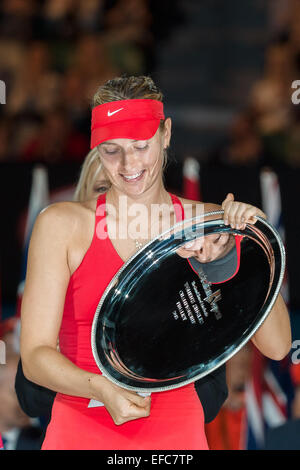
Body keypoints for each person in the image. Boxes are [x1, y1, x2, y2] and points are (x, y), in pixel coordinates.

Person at [20, 75, 291, 450]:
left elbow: (277, 346)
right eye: (111, 150)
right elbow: (34, 356)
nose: (128, 164)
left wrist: (239, 254)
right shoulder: (61, 225)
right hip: (80, 428)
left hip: (176, 434)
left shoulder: (207, 222)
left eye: (140, 145)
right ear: (96, 150)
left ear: (165, 134)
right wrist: (99, 386)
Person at [15, 148, 228, 430]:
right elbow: (31, 397)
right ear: (80, 199)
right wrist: (88, 381)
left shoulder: (185, 275)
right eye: (102, 189)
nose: (119, 200)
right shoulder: (53, 280)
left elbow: (212, 396)